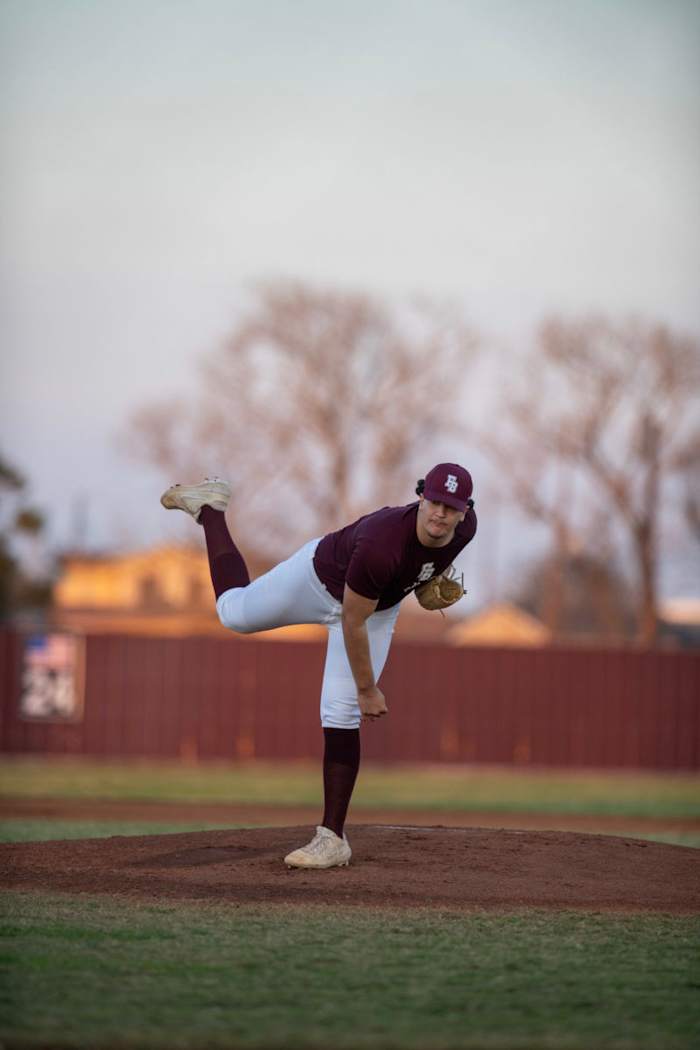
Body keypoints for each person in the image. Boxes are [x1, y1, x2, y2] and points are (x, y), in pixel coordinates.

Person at [160, 462, 477, 868]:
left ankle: (332, 838)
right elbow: (352, 619)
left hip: (378, 607)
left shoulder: (466, 530)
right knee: (233, 614)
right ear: (420, 495)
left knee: (339, 713)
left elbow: (420, 566)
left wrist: (428, 578)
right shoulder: (383, 546)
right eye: (433, 501)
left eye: (450, 507)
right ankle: (211, 510)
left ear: (465, 510)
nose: (440, 514)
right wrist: (367, 688)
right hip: (318, 580)